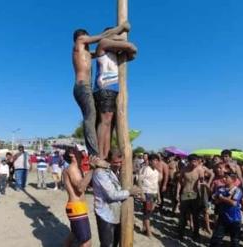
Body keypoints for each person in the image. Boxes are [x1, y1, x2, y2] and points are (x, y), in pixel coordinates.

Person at [72, 22, 130, 159]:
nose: (88, 40)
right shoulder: (79, 41)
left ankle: (98, 152)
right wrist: (121, 28)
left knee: (94, 118)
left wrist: (117, 40)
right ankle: (94, 154)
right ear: (81, 37)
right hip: (82, 86)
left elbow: (105, 46)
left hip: (85, 88)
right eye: (87, 37)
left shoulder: (86, 52)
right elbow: (102, 37)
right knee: (90, 117)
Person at [93, 33, 137, 159]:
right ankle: (100, 155)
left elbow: (133, 53)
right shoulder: (103, 44)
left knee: (110, 124)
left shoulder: (116, 55)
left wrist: (124, 49)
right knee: (105, 122)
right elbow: (130, 46)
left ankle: (105, 154)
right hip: (104, 87)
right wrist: (123, 42)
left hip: (111, 89)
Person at [92, 149, 141, 247]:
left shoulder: (117, 172)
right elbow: (112, 195)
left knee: (114, 243)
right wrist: (129, 192)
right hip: (105, 214)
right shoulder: (100, 173)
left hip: (116, 214)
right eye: (115, 162)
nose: (118, 164)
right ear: (109, 160)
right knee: (107, 244)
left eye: (120, 162)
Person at [62, 147, 94, 247]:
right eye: (78, 151)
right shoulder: (72, 168)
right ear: (72, 155)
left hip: (77, 206)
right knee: (86, 241)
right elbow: (80, 188)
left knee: (74, 234)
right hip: (76, 207)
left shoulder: (77, 168)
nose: (82, 152)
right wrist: (92, 169)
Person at [210, 171, 243, 247]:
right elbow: (215, 200)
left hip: (234, 219)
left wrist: (222, 198)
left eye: (226, 177)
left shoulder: (237, 190)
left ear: (233, 180)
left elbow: (233, 203)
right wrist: (226, 199)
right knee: (215, 240)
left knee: (235, 241)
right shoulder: (220, 188)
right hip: (223, 217)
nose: (223, 179)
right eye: (223, 177)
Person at [176, 154, 205, 241]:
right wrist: (177, 193)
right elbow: (179, 182)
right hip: (185, 193)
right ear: (189, 161)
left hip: (195, 195)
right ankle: (181, 233)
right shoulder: (184, 169)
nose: (194, 164)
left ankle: (196, 234)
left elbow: (202, 183)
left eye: (195, 161)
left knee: (195, 216)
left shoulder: (200, 170)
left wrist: (202, 196)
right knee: (183, 215)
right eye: (192, 162)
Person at [138, 153, 160, 238]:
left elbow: (157, 184)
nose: (156, 162)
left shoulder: (156, 172)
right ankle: (148, 232)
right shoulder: (145, 169)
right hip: (147, 193)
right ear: (150, 161)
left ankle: (144, 227)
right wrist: (142, 193)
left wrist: (158, 196)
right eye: (154, 160)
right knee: (147, 212)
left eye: (157, 160)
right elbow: (139, 181)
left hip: (154, 193)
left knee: (150, 212)